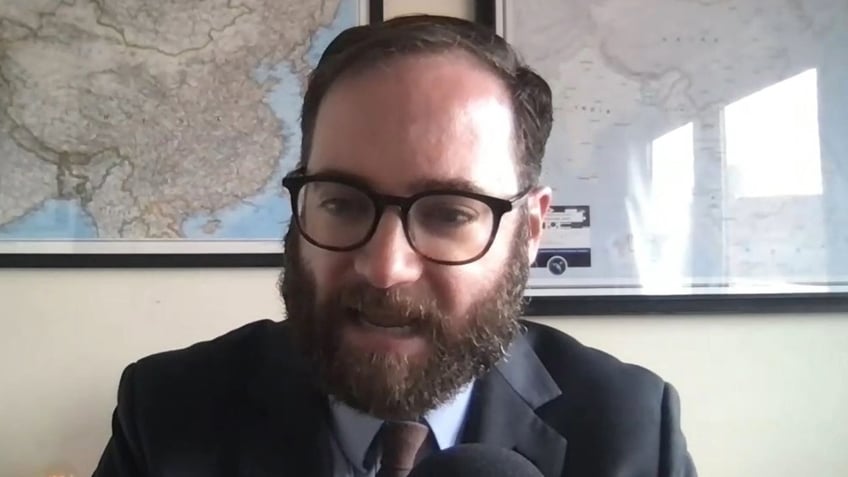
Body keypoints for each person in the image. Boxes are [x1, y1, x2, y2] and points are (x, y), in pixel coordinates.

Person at [93, 14, 696, 477]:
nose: (385, 268)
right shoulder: (167, 409)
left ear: (532, 229)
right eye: (342, 203)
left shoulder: (633, 431)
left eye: (449, 213)